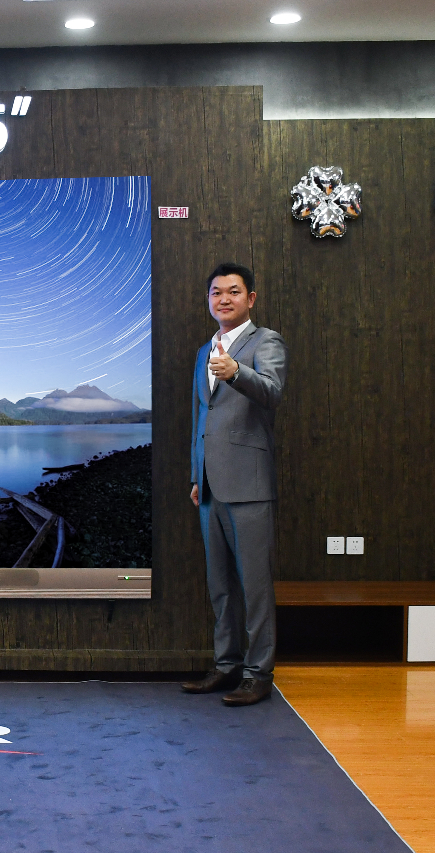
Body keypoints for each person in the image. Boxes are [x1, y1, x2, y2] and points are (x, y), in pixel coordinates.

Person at [182, 263, 288, 707]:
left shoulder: (266, 341)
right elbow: (201, 417)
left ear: (251, 298)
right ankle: (225, 666)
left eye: (233, 291)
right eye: (216, 292)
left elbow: (273, 392)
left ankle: (258, 674)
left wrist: (236, 372)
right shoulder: (204, 350)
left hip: (249, 484)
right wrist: (196, 474)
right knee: (220, 585)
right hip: (209, 485)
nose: (223, 299)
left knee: (255, 586)